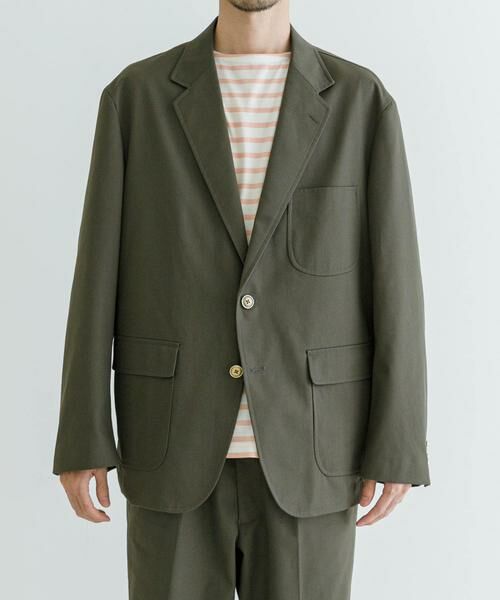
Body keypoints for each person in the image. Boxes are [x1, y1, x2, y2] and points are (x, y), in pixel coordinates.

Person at [53, 1, 430, 598]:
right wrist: (82, 436)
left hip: (312, 450)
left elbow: (396, 281)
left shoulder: (361, 102)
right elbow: (96, 275)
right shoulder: (136, 99)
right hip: (170, 443)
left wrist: (398, 442)